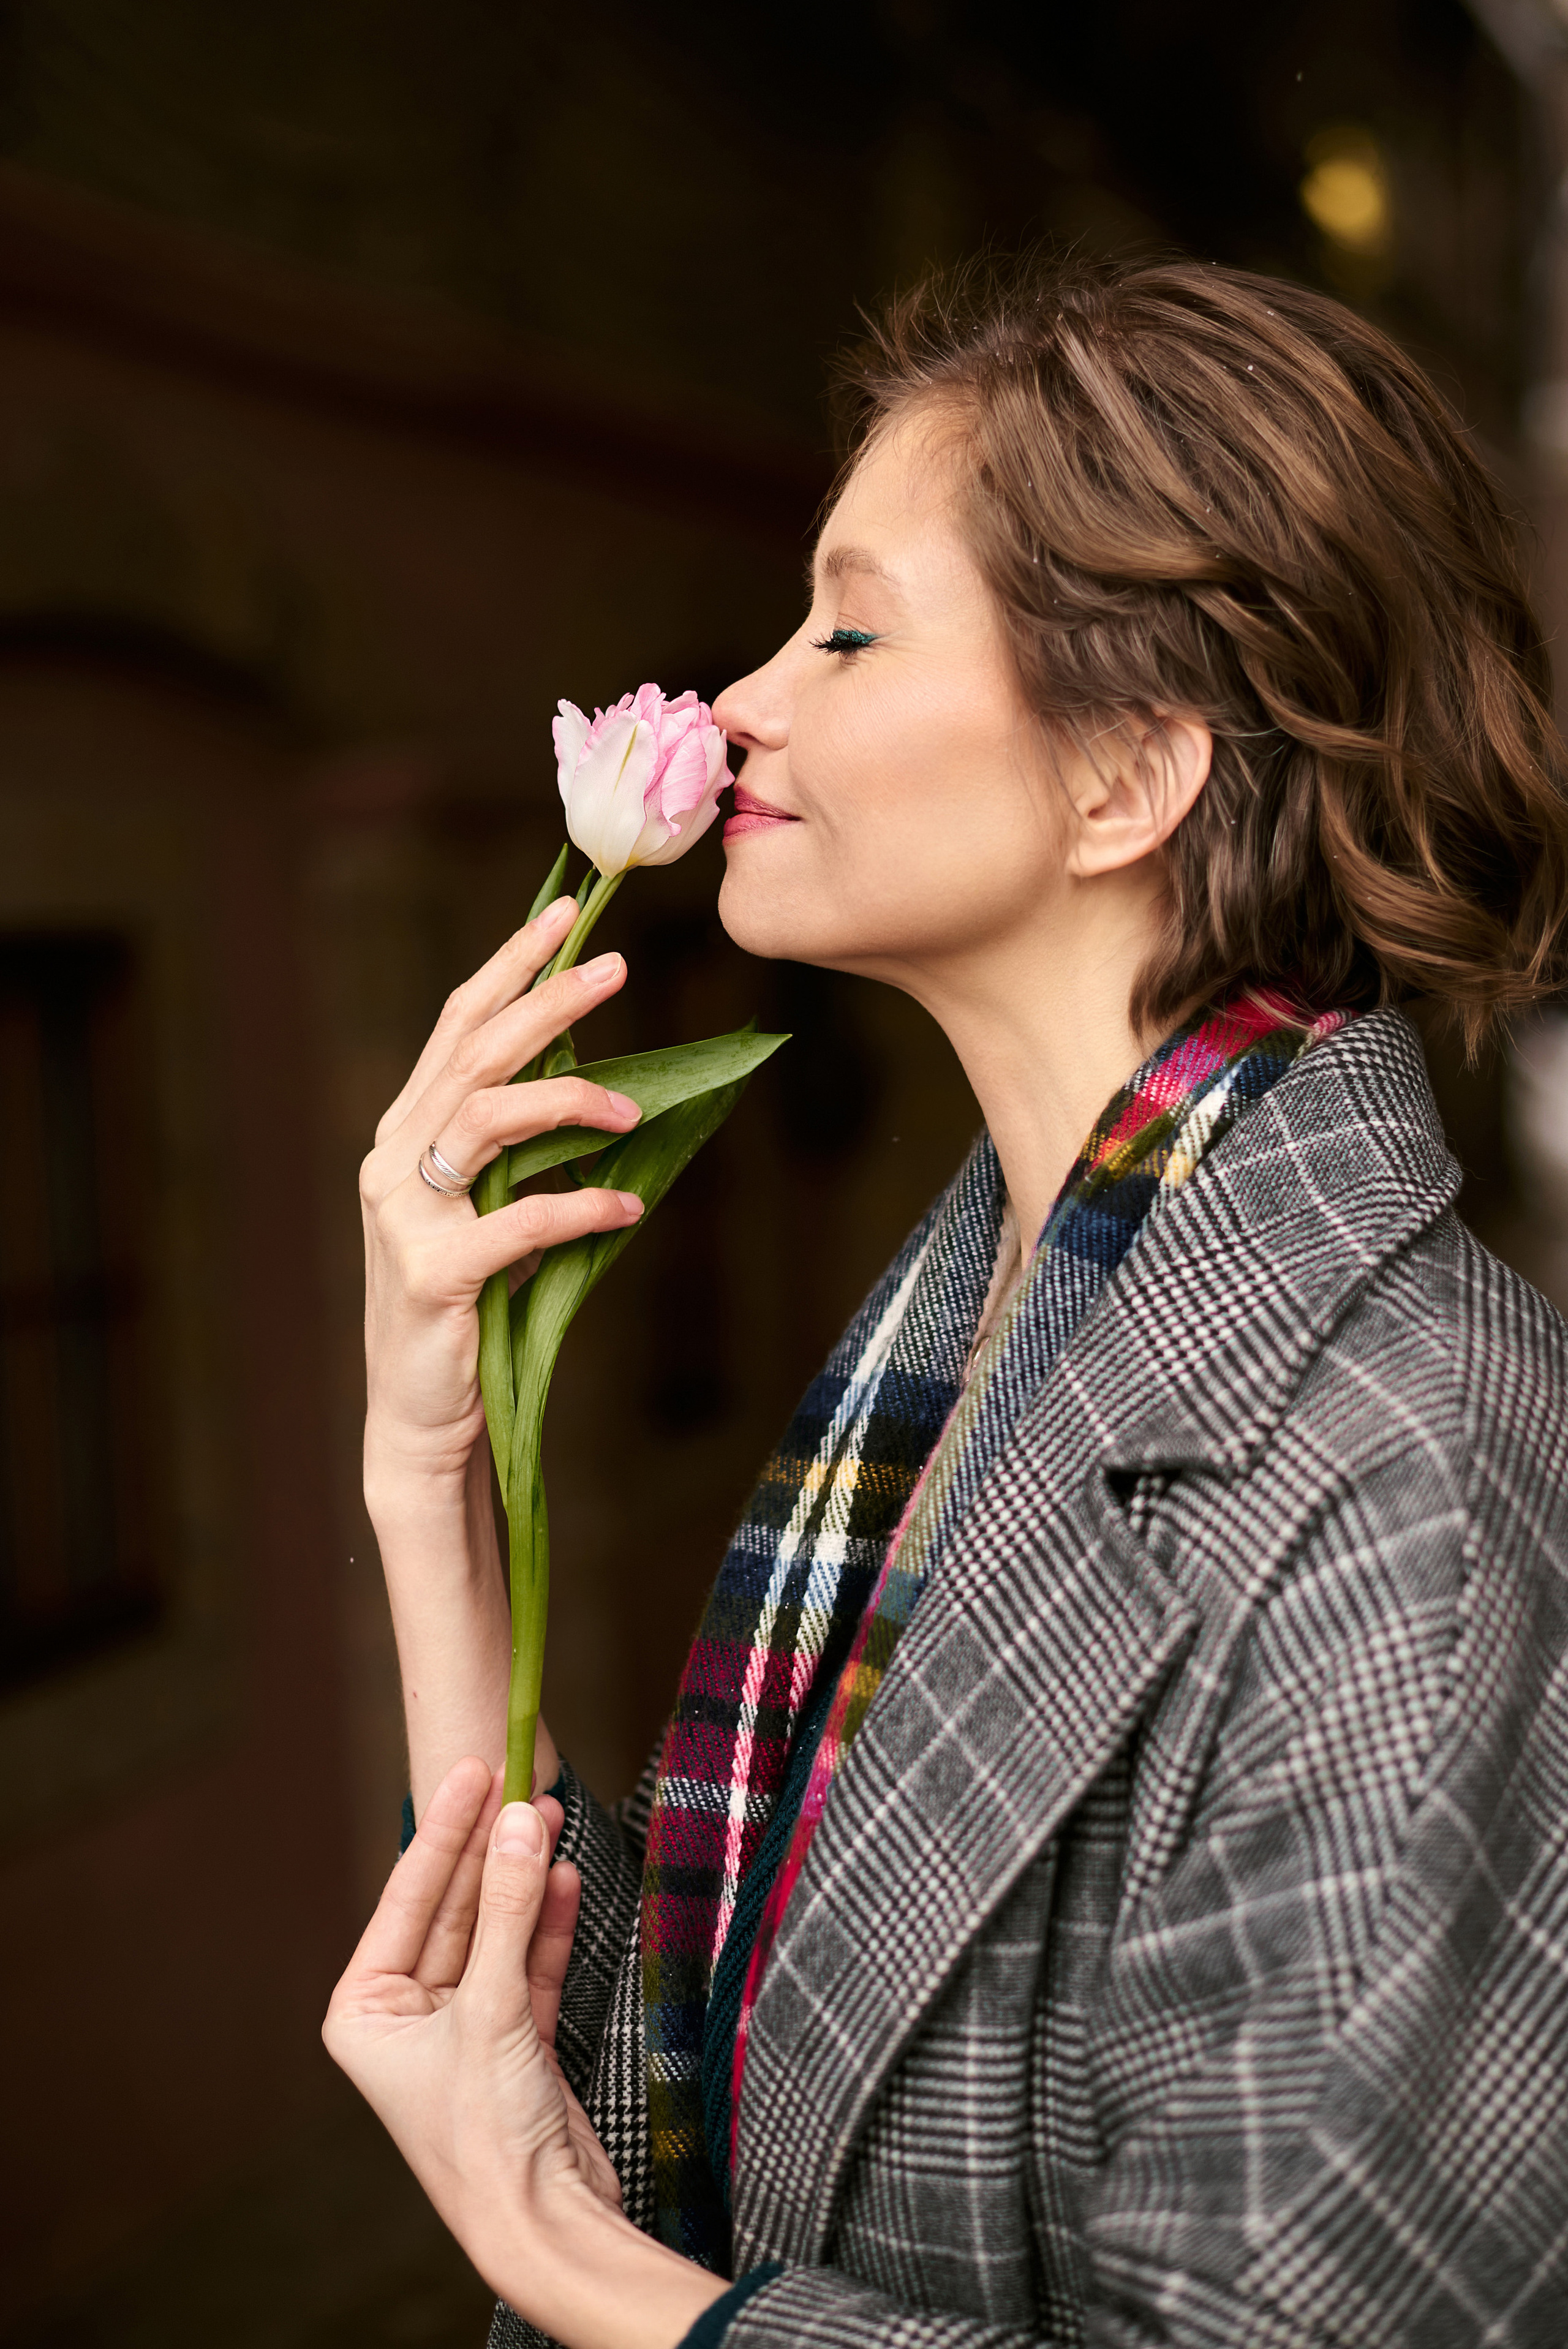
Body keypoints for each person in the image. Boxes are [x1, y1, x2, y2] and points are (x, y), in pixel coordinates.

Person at [326, 257, 1568, 2349]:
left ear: (1128, 776)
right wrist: (435, 1461)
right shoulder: (1005, 1300)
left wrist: (557, 2251)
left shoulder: (1412, 1476)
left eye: (851, 625)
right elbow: (705, 2063)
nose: (739, 705)